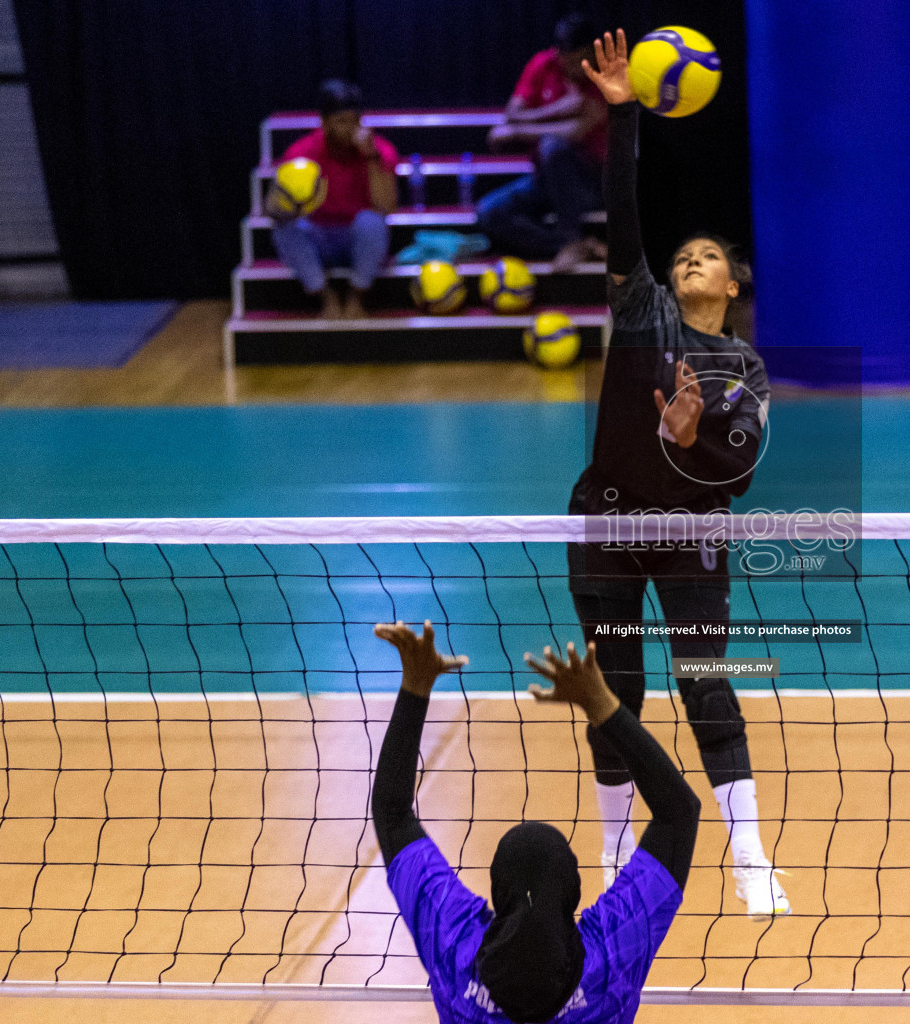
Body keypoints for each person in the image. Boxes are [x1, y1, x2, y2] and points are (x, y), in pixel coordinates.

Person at [564, 30, 787, 918]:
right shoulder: (642, 308)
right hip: (608, 523)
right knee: (616, 692)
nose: (690, 260)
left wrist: (694, 438)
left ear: (733, 284)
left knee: (706, 683)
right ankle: (616, 851)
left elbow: (735, 475)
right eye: (683, 254)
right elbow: (625, 217)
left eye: (708, 258)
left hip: (692, 533)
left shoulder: (746, 368)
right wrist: (624, 119)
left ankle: (749, 859)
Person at [372, 620, 700, 1024]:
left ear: (498, 890)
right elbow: (679, 813)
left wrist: (415, 688)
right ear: (572, 890)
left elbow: (391, 812)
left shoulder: (454, 942)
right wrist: (600, 704)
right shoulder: (611, 953)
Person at [478, 14, 610, 271]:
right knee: (489, 213)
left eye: (582, 59)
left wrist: (515, 133)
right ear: (558, 54)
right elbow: (512, 113)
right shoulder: (544, 64)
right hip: (547, 182)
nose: (575, 67)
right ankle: (572, 245)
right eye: (569, 61)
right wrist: (560, 108)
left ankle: (571, 237)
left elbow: (576, 131)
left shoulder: (607, 73)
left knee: (553, 148)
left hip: (593, 183)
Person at [271, 80, 398, 319]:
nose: (350, 129)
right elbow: (273, 209)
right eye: (341, 121)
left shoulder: (379, 150)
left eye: (355, 121)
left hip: (357, 239)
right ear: (325, 123)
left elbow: (386, 207)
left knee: (372, 222)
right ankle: (326, 297)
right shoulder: (301, 153)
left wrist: (371, 158)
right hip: (318, 236)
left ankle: (356, 298)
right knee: (284, 228)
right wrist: (286, 202)